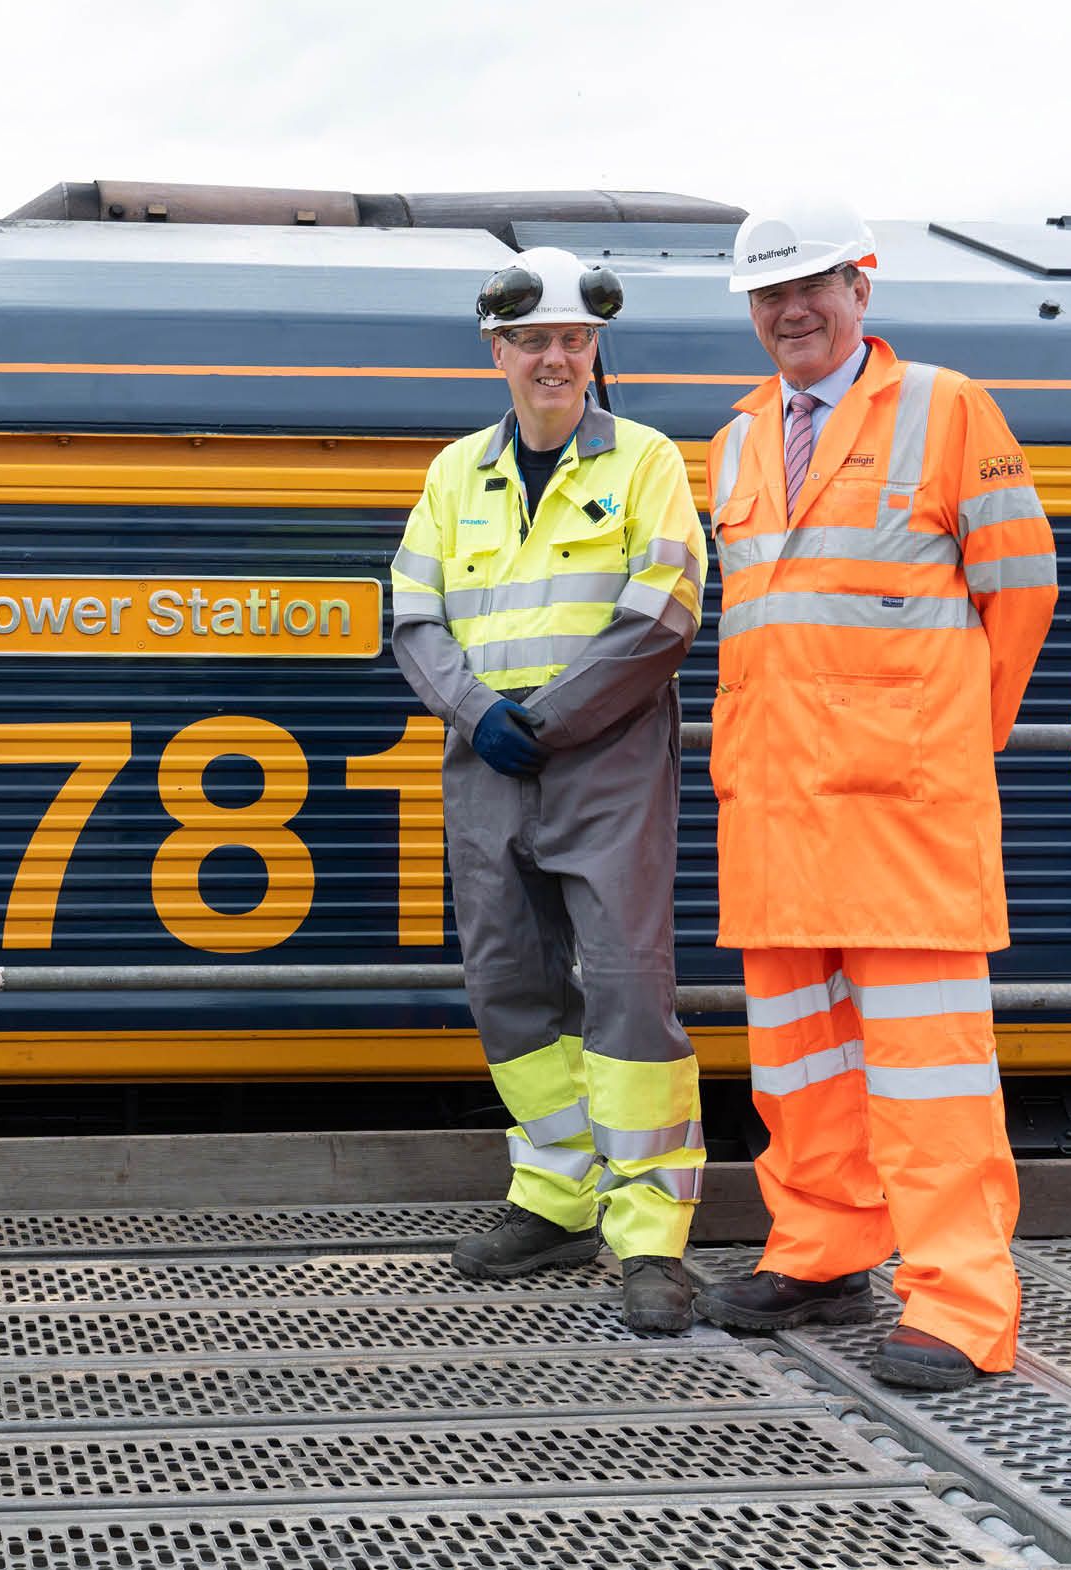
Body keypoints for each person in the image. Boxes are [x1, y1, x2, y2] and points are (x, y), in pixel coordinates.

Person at [693, 198, 1057, 1390]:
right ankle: (820, 1249)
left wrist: (946, 743)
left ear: (863, 288)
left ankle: (959, 1305)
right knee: (798, 1064)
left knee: (929, 1070)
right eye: (769, 293)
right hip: (775, 805)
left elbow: (1024, 589)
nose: (791, 309)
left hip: (902, 807)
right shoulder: (738, 438)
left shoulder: (947, 408)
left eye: (813, 285)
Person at [390, 247, 710, 1331]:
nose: (556, 358)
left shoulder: (647, 462)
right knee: (511, 984)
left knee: (625, 986)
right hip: (485, 758)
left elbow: (665, 608)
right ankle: (556, 1195)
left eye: (574, 340)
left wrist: (552, 719)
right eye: (534, 341)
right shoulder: (452, 474)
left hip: (605, 756)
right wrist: (478, 714)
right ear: (499, 352)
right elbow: (414, 615)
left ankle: (652, 1237)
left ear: (593, 351)